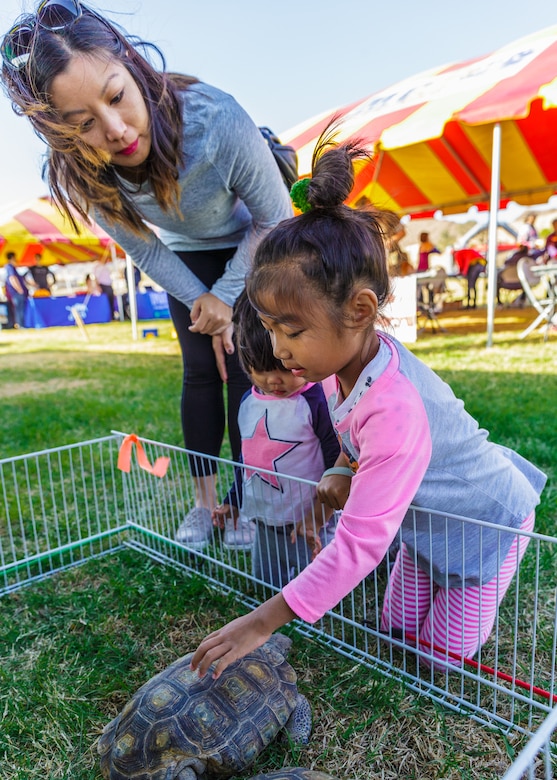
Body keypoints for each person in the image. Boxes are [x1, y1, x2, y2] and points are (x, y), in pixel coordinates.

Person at [191, 127, 547, 680]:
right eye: (269, 328)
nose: (280, 348)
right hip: (424, 526)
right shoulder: (342, 362)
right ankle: (427, 573)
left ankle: (476, 582)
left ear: (359, 310)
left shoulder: (396, 405)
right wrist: (340, 464)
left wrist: (260, 623)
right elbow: (359, 441)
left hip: (484, 527)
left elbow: (359, 546)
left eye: (291, 329)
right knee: (394, 628)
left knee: (435, 659)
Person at [1, 1, 292, 546]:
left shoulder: (218, 119)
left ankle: (248, 500)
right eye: (83, 123)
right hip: (183, 258)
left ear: (133, 67)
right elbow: (149, 252)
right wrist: (203, 302)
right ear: (63, 135)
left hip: (254, 245)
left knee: (249, 376)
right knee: (202, 371)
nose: (114, 130)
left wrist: (229, 296)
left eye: (116, 97)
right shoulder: (80, 172)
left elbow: (276, 218)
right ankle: (207, 506)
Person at [191, 291, 339, 584]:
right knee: (266, 584)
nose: (274, 380)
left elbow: (338, 461)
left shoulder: (316, 401)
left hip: (308, 522)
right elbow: (247, 459)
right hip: (265, 520)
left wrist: (319, 516)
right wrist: (233, 500)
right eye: (260, 370)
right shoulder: (247, 402)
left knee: (317, 587)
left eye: (285, 369)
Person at [4, 251, 29, 327]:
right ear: (12, 257)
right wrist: (19, 289)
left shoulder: (12, 267)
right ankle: (21, 325)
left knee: (20, 309)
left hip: (17, 292)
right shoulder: (9, 267)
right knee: (19, 309)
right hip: (16, 293)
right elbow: (12, 278)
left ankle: (21, 324)